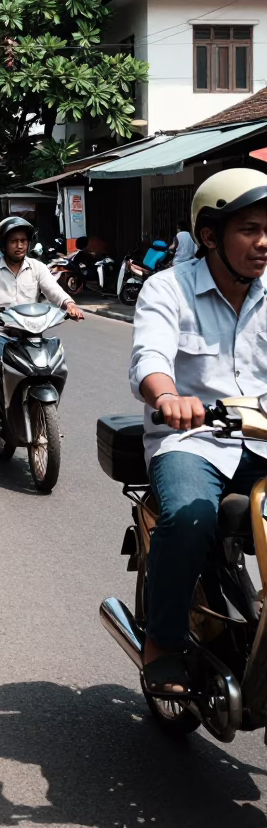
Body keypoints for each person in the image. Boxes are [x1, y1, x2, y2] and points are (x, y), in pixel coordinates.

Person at [129, 168, 267, 697]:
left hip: (261, 436)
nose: (262, 243)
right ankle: (161, 642)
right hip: (194, 442)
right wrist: (168, 397)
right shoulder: (169, 288)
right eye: (249, 229)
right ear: (210, 235)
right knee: (190, 519)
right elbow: (150, 358)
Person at [0, 217, 84, 430]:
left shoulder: (38, 267)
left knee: (53, 362)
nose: (20, 245)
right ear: (3, 244)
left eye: (23, 240)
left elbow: (54, 290)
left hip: (31, 332)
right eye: (14, 241)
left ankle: (44, 404)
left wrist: (69, 304)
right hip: (0, 330)